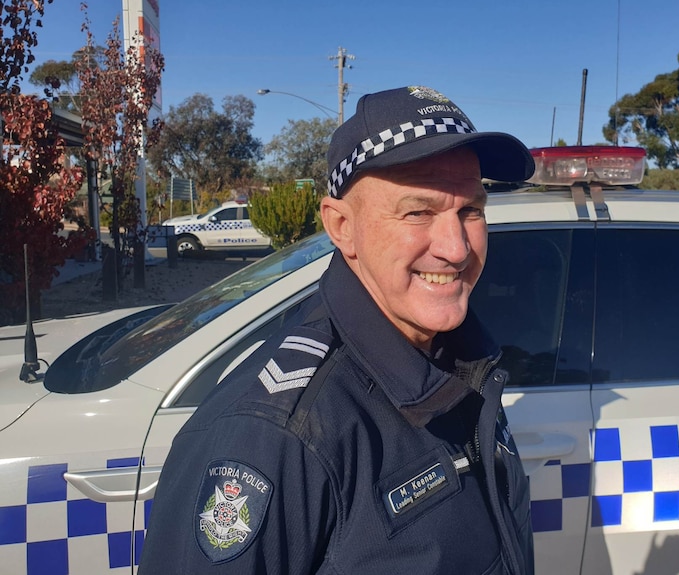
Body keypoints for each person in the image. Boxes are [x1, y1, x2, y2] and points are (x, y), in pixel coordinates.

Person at [139, 85, 536, 575]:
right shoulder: (278, 434)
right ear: (342, 226)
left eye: (470, 211)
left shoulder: (461, 363)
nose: (456, 248)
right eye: (418, 212)